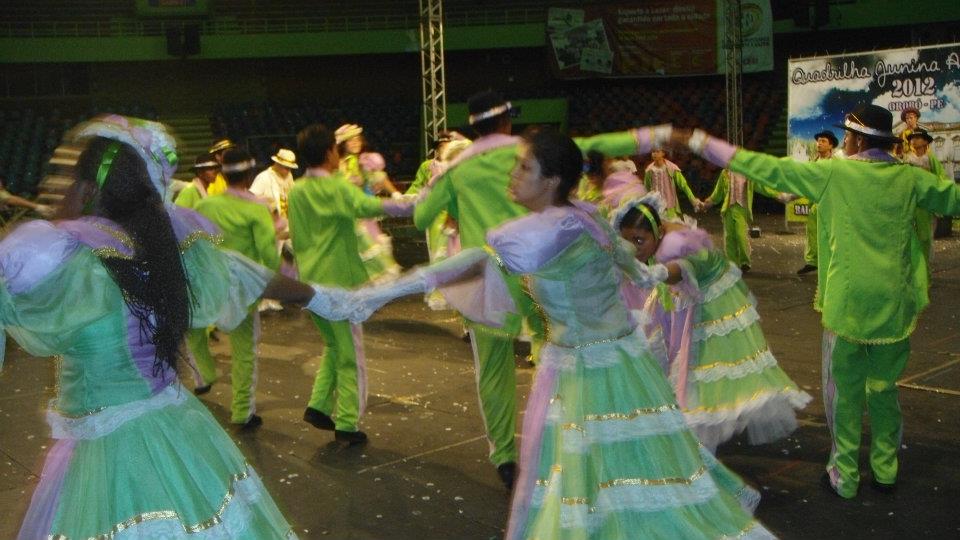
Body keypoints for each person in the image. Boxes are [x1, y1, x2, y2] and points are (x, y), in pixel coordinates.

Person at [342, 129, 773, 539]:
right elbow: (635, 270)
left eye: (524, 168)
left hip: (590, 368)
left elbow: (467, 264)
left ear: (550, 180)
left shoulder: (548, 230)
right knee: (625, 470)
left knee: (604, 476)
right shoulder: (583, 217)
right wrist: (670, 269)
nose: (513, 175)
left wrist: (370, 296)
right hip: (618, 359)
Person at [0, 115, 353, 539]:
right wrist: (326, 299)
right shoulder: (161, 246)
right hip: (172, 426)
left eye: (66, 178)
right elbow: (250, 274)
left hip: (115, 449)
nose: (56, 188)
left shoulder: (72, 259)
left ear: (90, 190)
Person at [675, 103, 960, 498]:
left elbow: (766, 168)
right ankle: (885, 469)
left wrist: (703, 144)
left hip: (847, 307)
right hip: (894, 305)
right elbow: (954, 200)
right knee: (884, 390)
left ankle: (845, 476)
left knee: (843, 394)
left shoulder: (833, 173)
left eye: (847, 135)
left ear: (857, 139)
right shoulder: (911, 179)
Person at [412, 90, 647, 488]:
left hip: (487, 285)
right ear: (506, 122)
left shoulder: (458, 169)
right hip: (541, 276)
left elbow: (421, 218)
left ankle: (505, 456)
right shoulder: (528, 155)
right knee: (557, 354)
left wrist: (446, 189)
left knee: (493, 371)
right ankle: (569, 437)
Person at [613, 194, 811, 450]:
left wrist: (648, 271)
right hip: (687, 294)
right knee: (663, 345)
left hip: (710, 301)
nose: (635, 247)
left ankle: (697, 435)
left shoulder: (674, 246)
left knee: (700, 369)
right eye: (628, 241)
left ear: (658, 232)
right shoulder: (660, 229)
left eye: (639, 240)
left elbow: (677, 271)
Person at [287, 123, 414, 445]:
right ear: (330, 152)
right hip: (339, 284)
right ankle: (346, 423)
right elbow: (370, 206)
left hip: (310, 283)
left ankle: (318, 405)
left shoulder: (297, 190)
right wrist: (415, 202)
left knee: (334, 345)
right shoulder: (338, 187)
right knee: (348, 355)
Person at [189, 148, 282, 427]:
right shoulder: (256, 208)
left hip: (212, 286)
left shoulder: (206, 206)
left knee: (194, 329)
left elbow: (196, 246)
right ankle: (242, 412)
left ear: (223, 174)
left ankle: (205, 373)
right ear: (250, 174)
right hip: (242, 292)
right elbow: (268, 256)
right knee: (244, 353)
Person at [336, 123, 402, 283]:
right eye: (351, 140)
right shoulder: (338, 165)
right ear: (343, 144)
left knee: (374, 248)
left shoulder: (365, 161)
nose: (355, 143)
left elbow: (380, 178)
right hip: (347, 214)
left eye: (357, 139)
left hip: (364, 213)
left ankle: (371, 287)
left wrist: (395, 193)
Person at [698, 168, 781, 272]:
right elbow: (717, 193)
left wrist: (777, 194)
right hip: (728, 209)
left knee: (741, 235)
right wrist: (706, 204)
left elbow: (762, 186)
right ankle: (732, 263)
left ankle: (744, 261)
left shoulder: (748, 173)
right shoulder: (725, 173)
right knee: (729, 238)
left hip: (742, 209)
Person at [250, 147, 298, 312]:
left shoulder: (288, 177)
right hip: (271, 226)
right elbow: (252, 197)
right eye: (285, 167)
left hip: (288, 224)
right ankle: (266, 298)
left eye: (289, 168)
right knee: (271, 261)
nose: (287, 170)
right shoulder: (264, 177)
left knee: (300, 253)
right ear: (277, 163)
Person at [904, 128, 949, 270]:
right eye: (912, 138)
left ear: (925, 142)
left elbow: (941, 177)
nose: (914, 140)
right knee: (910, 235)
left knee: (925, 236)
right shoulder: (907, 159)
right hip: (911, 201)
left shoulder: (930, 159)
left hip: (926, 204)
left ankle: (925, 269)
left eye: (918, 137)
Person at [796, 130, 838, 275]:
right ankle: (812, 262)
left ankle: (831, 263)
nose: (819, 144)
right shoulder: (813, 162)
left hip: (830, 204)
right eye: (818, 141)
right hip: (815, 204)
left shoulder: (835, 164)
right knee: (812, 233)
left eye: (823, 141)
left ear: (831, 145)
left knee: (830, 234)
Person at [643, 147, 700, 219]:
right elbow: (646, 187)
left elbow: (683, 185)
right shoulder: (649, 170)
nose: (654, 154)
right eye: (653, 152)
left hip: (669, 205)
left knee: (670, 223)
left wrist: (692, 198)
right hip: (655, 205)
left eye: (657, 151)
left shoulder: (671, 168)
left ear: (663, 153)